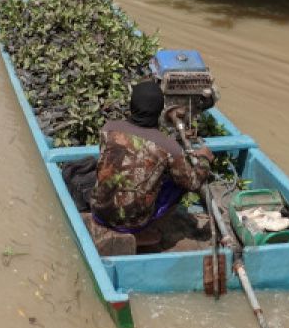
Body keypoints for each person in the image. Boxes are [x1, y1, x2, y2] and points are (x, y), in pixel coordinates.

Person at [90, 79, 214, 233]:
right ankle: (149, 233)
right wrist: (204, 159)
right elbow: (193, 183)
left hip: (98, 212)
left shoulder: (108, 129)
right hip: (134, 223)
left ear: (131, 106)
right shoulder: (169, 147)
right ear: (160, 111)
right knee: (179, 184)